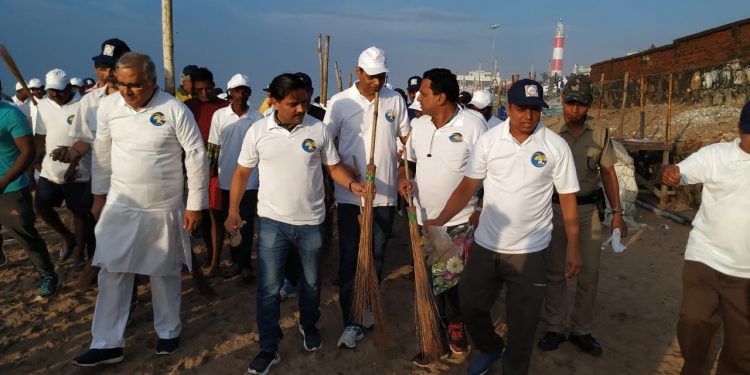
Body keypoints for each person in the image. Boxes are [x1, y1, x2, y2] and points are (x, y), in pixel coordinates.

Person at [424, 79, 583, 375]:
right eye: (521, 108)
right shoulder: (490, 141)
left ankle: (513, 368)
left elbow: (567, 199)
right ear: (507, 108)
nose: (528, 116)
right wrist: (440, 219)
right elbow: (468, 186)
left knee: (523, 325)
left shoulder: (555, 146)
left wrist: (574, 247)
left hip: (530, 251)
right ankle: (490, 346)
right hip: (486, 245)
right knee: (470, 305)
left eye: (535, 109)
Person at [72, 52, 207, 366]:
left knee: (164, 271)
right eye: (121, 84)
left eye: (134, 85)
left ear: (152, 81)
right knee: (113, 270)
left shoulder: (173, 108)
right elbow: (102, 153)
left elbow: (196, 154)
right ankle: (107, 343)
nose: (127, 91)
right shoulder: (107, 108)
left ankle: (169, 331)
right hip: (121, 203)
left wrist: (195, 204)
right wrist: (99, 195)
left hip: (164, 206)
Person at [224, 73, 365, 375]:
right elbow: (240, 173)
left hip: (312, 223)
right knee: (268, 289)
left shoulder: (318, 129)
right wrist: (233, 210)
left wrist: (353, 186)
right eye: (293, 104)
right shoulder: (258, 131)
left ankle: (308, 323)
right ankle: (269, 346)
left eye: (304, 102)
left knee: (311, 283)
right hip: (273, 223)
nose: (301, 109)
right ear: (273, 101)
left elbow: (334, 168)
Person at [397, 68, 486, 367]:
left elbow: (490, 172)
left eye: (423, 94)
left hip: (460, 219)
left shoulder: (474, 125)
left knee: (447, 280)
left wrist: (481, 209)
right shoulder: (419, 126)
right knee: (430, 281)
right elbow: (407, 163)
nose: (418, 98)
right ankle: (436, 335)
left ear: (441, 96)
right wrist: (402, 180)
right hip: (423, 219)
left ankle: (454, 330)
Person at [323, 46, 410, 349]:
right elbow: (326, 143)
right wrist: (343, 167)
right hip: (351, 197)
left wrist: (402, 170)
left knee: (375, 257)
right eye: (372, 76)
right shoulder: (339, 102)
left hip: (384, 197)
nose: (377, 82)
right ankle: (351, 320)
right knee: (350, 259)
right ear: (358, 72)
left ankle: (368, 303)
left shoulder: (394, 99)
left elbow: (405, 139)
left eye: (382, 76)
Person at [538, 73, 628, 357]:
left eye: (582, 104)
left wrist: (617, 213)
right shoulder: (547, 130)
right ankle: (555, 327)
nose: (575, 109)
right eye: (571, 102)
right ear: (563, 99)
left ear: (591, 104)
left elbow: (608, 172)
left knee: (590, 273)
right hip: (552, 210)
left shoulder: (600, 133)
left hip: (587, 210)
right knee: (554, 272)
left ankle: (581, 330)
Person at [660, 100, 750, 375]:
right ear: (739, 128)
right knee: (693, 322)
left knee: (742, 348)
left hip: (746, 273)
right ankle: (694, 367)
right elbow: (680, 172)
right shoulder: (716, 155)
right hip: (706, 257)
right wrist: (672, 174)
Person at [56, 37, 131, 268]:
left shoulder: (137, 99)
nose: (108, 72)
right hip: (101, 178)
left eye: (113, 67)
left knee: (128, 233)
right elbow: (86, 139)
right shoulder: (90, 101)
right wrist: (70, 155)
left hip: (131, 177)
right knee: (100, 228)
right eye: (104, 66)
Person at [33, 68, 91, 267]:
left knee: (80, 213)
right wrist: (36, 158)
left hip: (79, 170)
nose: (55, 94)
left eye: (59, 90)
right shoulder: (43, 105)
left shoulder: (83, 104)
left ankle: (80, 254)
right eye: (51, 91)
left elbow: (88, 138)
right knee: (41, 205)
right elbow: (41, 135)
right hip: (50, 170)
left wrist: (73, 163)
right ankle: (68, 237)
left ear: (69, 88)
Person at [0, 100, 58, 297]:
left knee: (24, 233)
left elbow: (28, 152)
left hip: (10, 186)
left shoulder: (11, 115)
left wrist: (4, 182)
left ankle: (47, 274)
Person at [207, 73, 262, 281]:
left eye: (244, 90)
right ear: (230, 92)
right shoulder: (219, 116)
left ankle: (244, 264)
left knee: (246, 223)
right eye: (237, 90)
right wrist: (208, 173)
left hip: (250, 180)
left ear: (249, 93)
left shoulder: (258, 118)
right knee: (229, 222)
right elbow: (213, 148)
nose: (241, 94)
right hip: (225, 178)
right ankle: (234, 260)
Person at [184, 67, 229, 276]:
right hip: (193, 170)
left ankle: (215, 261)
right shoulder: (186, 108)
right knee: (200, 215)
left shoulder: (224, 108)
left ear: (213, 85)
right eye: (199, 89)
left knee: (215, 215)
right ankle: (210, 254)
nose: (204, 93)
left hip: (216, 170)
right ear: (192, 87)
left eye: (207, 88)